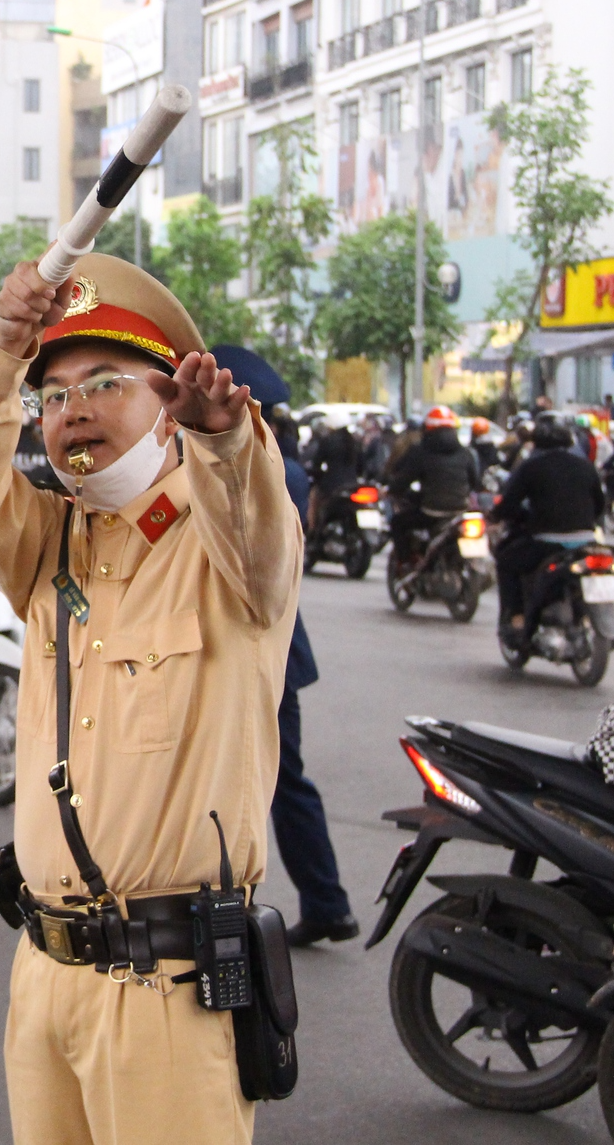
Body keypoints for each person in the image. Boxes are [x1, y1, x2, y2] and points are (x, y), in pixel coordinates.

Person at [0, 252, 300, 1145]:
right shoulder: (52, 542)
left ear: (170, 406)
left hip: (167, 990)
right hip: (44, 976)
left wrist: (223, 439)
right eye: (51, 396)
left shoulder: (226, 554)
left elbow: (251, 510)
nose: (71, 409)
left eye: (102, 383)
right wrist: (8, 339)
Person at [215, 345, 356, 947]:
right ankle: (325, 902)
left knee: (224, 789)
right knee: (281, 782)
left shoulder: (259, 469)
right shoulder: (285, 467)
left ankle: (231, 918)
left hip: (246, 653)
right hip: (276, 653)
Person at [491, 412, 605, 646]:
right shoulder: (585, 466)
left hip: (547, 542)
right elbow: (600, 504)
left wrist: (499, 515)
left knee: (506, 562)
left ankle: (516, 619)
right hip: (586, 540)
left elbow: (509, 503)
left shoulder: (531, 467)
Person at [386, 405, 481, 564]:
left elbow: (403, 480)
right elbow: (475, 483)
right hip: (460, 510)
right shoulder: (466, 453)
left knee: (398, 522)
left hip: (431, 511)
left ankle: (406, 560)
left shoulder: (420, 451)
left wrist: (392, 490)